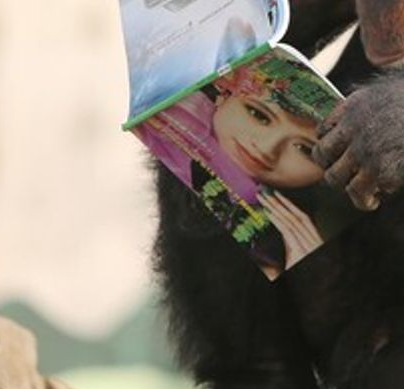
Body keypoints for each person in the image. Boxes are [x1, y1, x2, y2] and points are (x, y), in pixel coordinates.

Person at [136, 53, 339, 275]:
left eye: (305, 150)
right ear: (224, 92)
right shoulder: (175, 111)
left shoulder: (291, 235)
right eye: (258, 115)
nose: (267, 149)